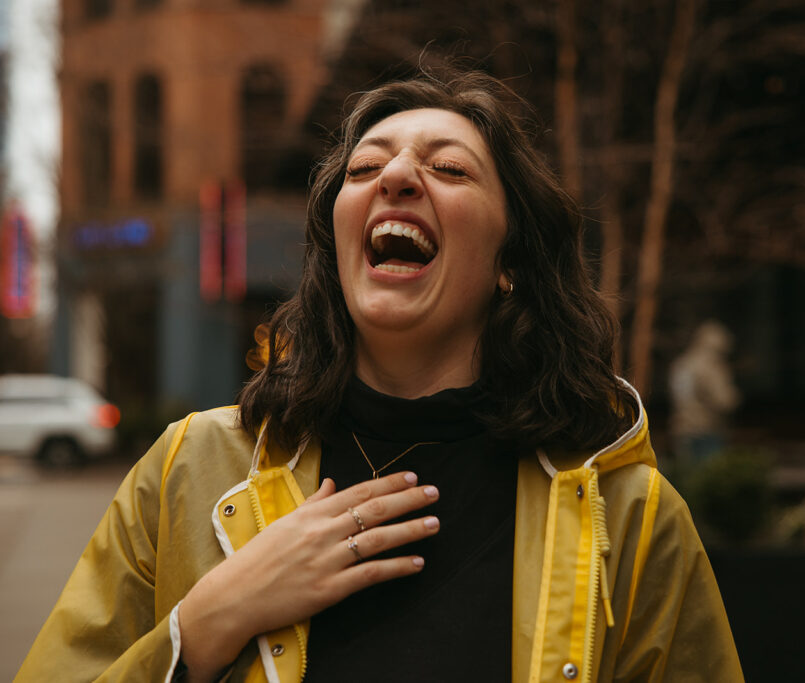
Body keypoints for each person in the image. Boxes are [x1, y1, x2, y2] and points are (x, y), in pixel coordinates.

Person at [17, 69, 742, 682]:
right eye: (365, 168)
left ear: (509, 262)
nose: (395, 176)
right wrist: (207, 620)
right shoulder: (187, 470)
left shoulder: (634, 515)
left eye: (449, 168)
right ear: (336, 246)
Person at [668, 320, 741, 477]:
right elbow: (724, 400)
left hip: (683, 428)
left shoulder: (682, 364)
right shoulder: (709, 365)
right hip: (707, 429)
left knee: (688, 479)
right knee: (712, 480)